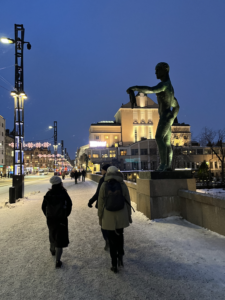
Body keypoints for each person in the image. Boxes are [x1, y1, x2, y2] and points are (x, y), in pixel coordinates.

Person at [127, 62, 180, 171]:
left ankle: (164, 165)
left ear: (164, 71)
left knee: (158, 137)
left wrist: (135, 88)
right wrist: (172, 117)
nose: (155, 72)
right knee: (166, 142)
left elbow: (151, 90)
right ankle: (168, 166)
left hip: (165, 116)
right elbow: (176, 105)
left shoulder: (164, 85)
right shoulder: (169, 87)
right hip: (167, 116)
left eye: (157, 70)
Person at [98, 166, 132, 273]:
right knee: (120, 234)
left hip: (108, 215)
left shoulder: (104, 184)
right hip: (121, 214)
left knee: (112, 239)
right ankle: (120, 254)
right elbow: (128, 201)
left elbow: (100, 203)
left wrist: (100, 216)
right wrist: (129, 215)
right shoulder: (122, 184)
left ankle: (114, 264)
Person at [42, 176, 72, 268]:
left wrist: (47, 215)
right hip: (61, 218)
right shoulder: (63, 193)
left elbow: (43, 206)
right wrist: (66, 214)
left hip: (51, 218)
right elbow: (70, 204)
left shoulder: (49, 193)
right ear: (60, 183)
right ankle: (58, 261)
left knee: (52, 233)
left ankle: (52, 249)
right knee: (60, 237)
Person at [88, 164, 111, 250]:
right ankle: (115, 241)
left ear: (105, 171)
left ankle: (107, 240)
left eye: (102, 170)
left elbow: (98, 194)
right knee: (115, 225)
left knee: (104, 225)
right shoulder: (118, 179)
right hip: (117, 206)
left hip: (105, 206)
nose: (101, 172)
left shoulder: (103, 179)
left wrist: (90, 202)